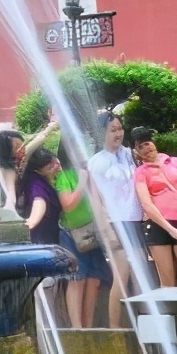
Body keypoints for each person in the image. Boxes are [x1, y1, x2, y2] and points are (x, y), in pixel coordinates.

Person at [87, 110, 146, 327]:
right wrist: (106, 230)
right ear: (102, 132)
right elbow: (96, 200)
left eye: (120, 129)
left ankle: (144, 324)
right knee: (121, 278)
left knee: (141, 277)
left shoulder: (131, 155)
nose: (118, 133)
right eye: (113, 130)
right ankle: (115, 329)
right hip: (115, 224)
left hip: (136, 221)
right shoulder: (96, 162)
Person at [132, 126, 177, 289]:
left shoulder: (175, 162)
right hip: (158, 226)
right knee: (167, 283)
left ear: (154, 143)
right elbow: (146, 204)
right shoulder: (140, 172)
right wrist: (171, 230)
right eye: (140, 146)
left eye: (147, 143)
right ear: (136, 151)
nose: (146, 148)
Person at [55, 140, 110, 328]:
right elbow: (68, 204)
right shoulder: (64, 176)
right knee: (77, 279)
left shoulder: (90, 172)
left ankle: (88, 326)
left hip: (92, 233)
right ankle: (77, 328)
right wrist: (81, 182)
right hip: (72, 235)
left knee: (94, 279)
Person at [0, 119, 56, 213]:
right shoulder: (7, 170)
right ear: (6, 152)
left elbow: (37, 140)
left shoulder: (20, 159)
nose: (22, 148)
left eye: (21, 144)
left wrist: (51, 127)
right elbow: (10, 196)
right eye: (16, 146)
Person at [23, 147, 64, 245]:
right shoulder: (36, 185)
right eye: (50, 167)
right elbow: (39, 200)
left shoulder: (49, 179)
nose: (56, 166)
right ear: (38, 171)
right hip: (43, 240)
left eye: (54, 161)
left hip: (51, 234)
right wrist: (32, 221)